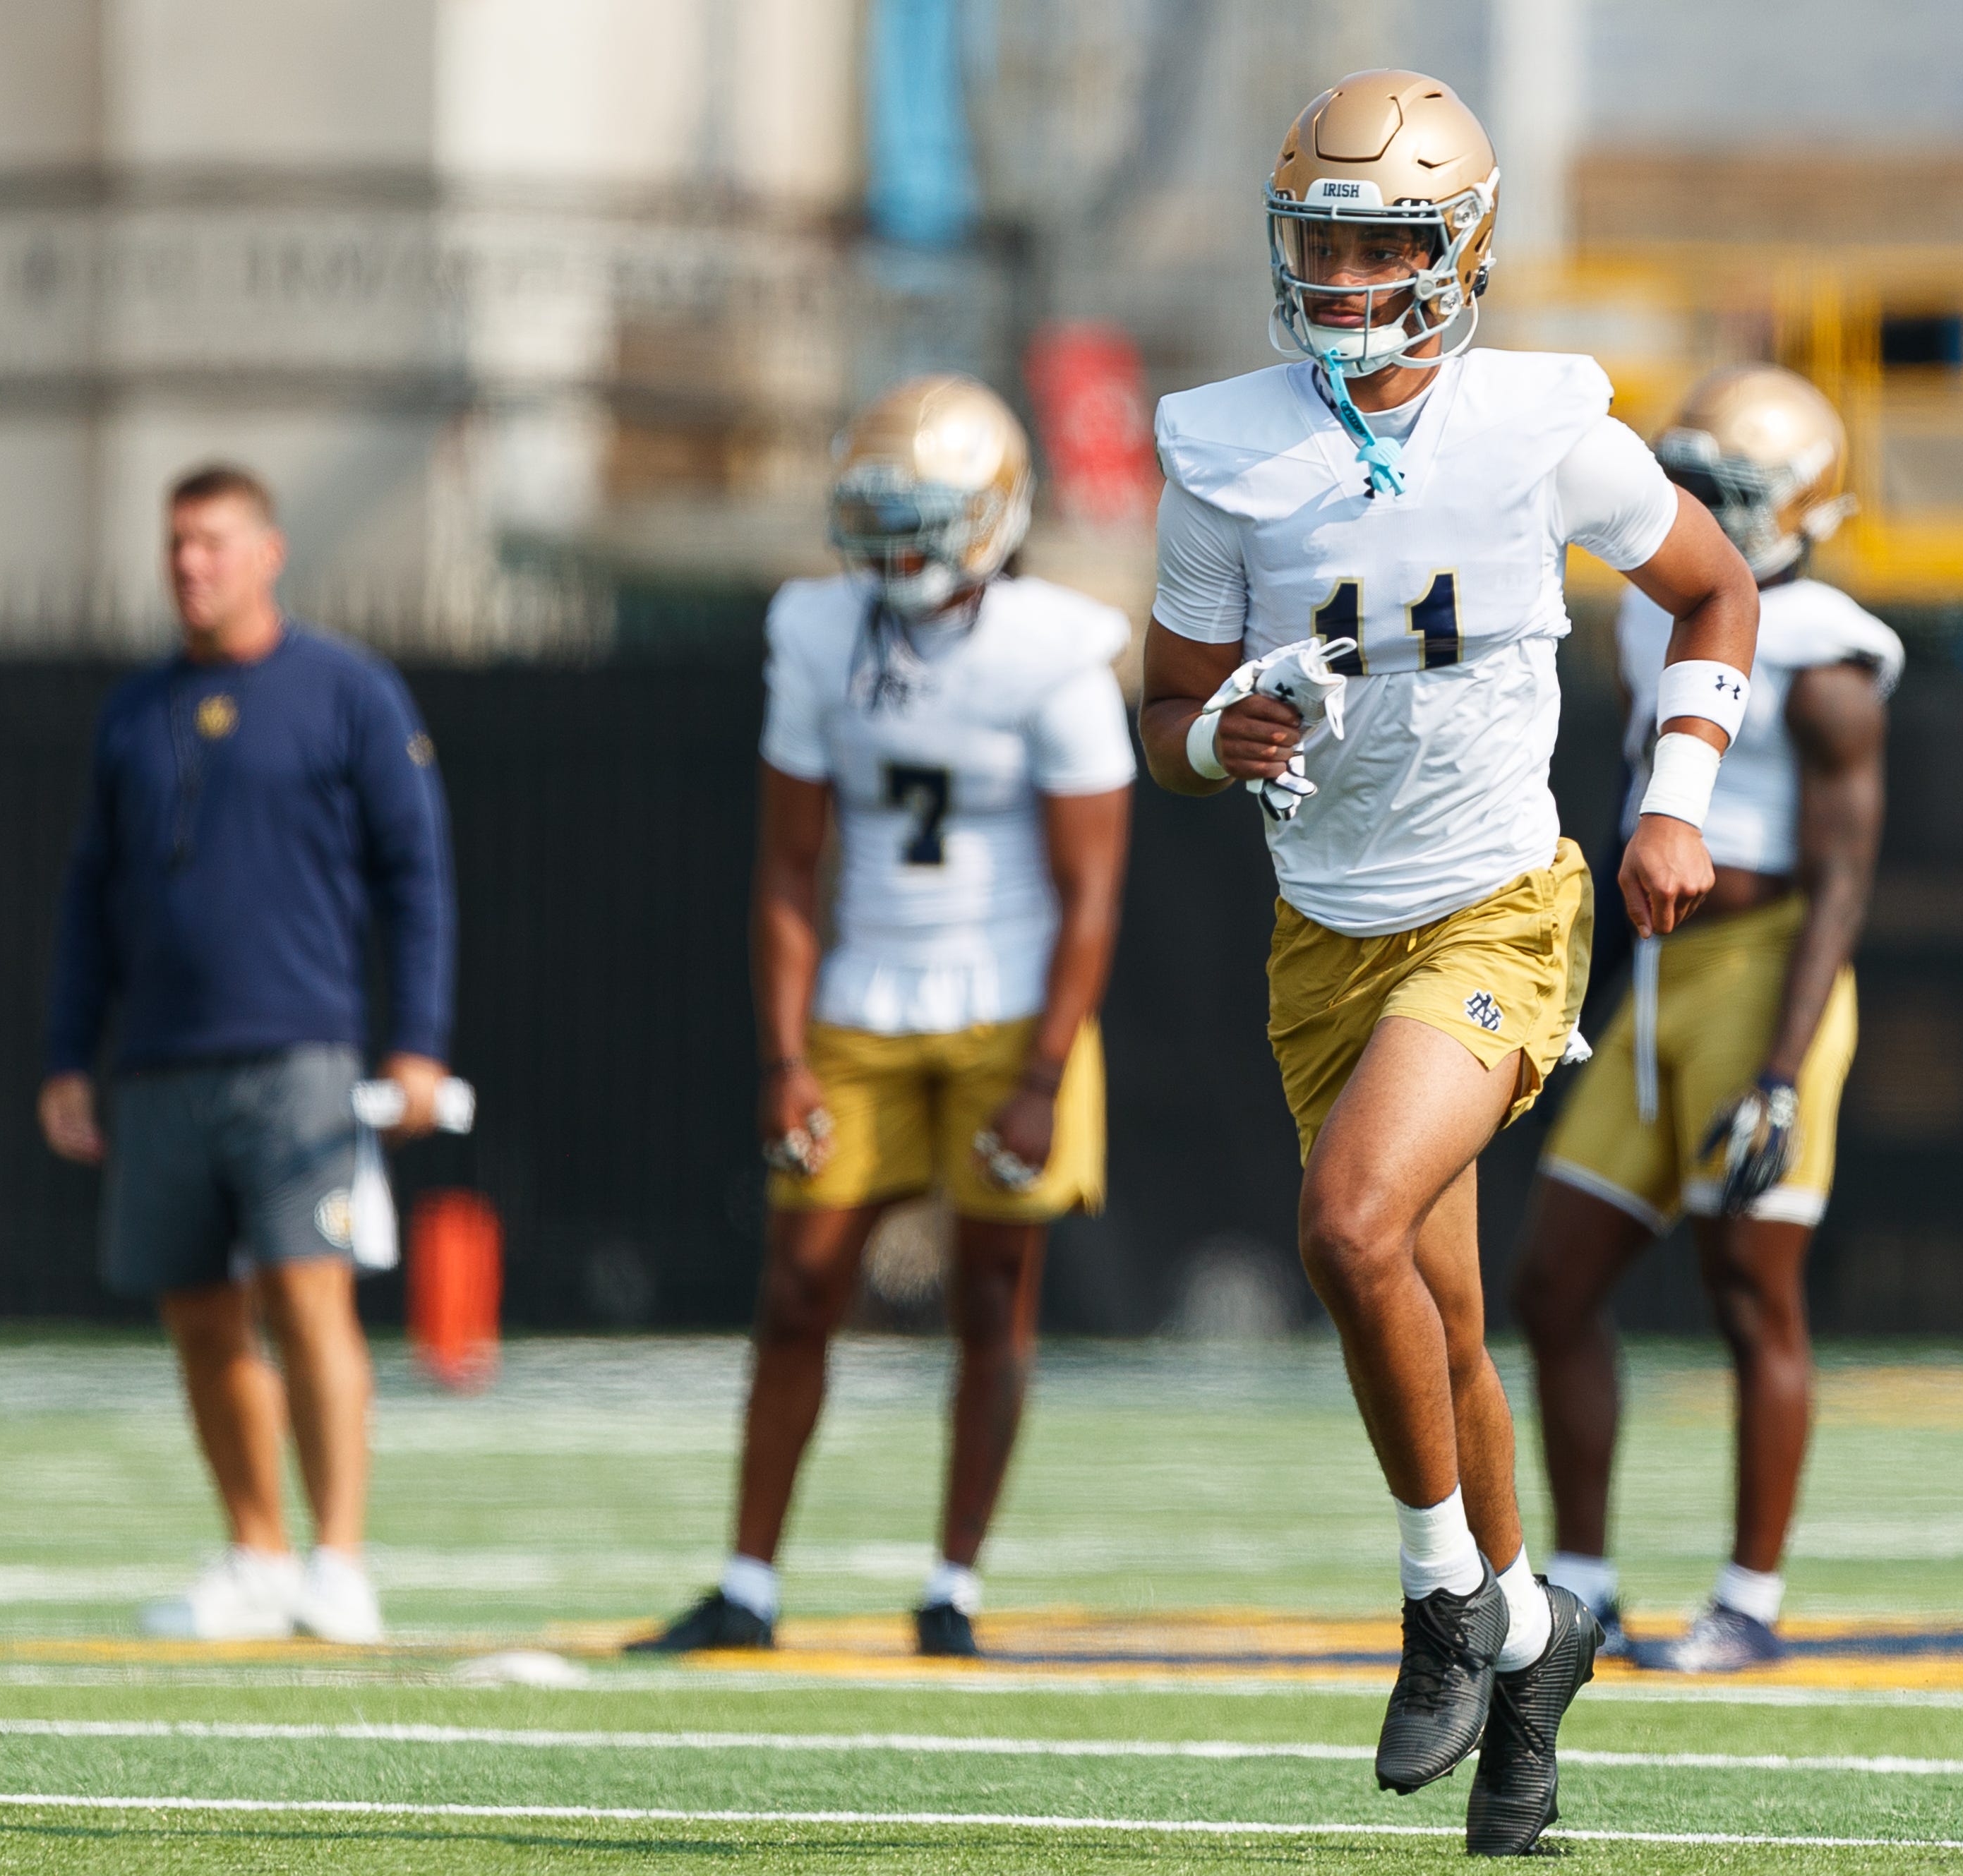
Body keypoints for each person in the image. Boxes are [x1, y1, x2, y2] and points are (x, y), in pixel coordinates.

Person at [1138, 71, 1760, 1855]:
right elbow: (1163, 713)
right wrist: (1211, 746)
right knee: (1445, 1323)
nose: (1338, 275)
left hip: (1496, 901)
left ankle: (1440, 1601)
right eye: (1317, 239)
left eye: (1377, 240)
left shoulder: (1541, 420)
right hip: (1321, 927)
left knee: (1342, 1224)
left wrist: (1673, 797)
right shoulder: (1223, 441)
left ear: (1457, 249)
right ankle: (1535, 1640)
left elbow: (1714, 593)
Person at [632, 375, 1134, 1659]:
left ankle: (951, 1584)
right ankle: (747, 1580)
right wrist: (785, 1053)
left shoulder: (1055, 648)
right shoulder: (816, 630)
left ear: (995, 516)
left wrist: (1044, 1068)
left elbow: (1090, 894)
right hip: (863, 997)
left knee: (991, 1292)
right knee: (801, 1283)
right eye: (885, 517)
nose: (901, 548)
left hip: (1013, 1002)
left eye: (927, 519)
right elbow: (789, 867)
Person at [1514, 366, 1899, 1671]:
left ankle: (1750, 1595)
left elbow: (1844, 881)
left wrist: (1785, 1069)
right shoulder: (1649, 610)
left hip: (1772, 975)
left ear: (1798, 509)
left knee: (1751, 1291)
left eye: (1725, 493)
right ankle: (1585, 1579)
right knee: (1555, 1277)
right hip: (1666, 978)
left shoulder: (1832, 656)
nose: (1694, 513)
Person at [39, 463, 455, 1644]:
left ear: (268, 551)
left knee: (309, 1296)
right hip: (163, 1060)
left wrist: (419, 1041)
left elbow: (415, 875)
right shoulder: (136, 709)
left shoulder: (349, 691)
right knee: (201, 1315)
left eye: (214, 542)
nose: (191, 565)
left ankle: (340, 1560)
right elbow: (90, 895)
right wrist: (71, 1053)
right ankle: (256, 1551)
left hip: (299, 1056)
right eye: (177, 545)